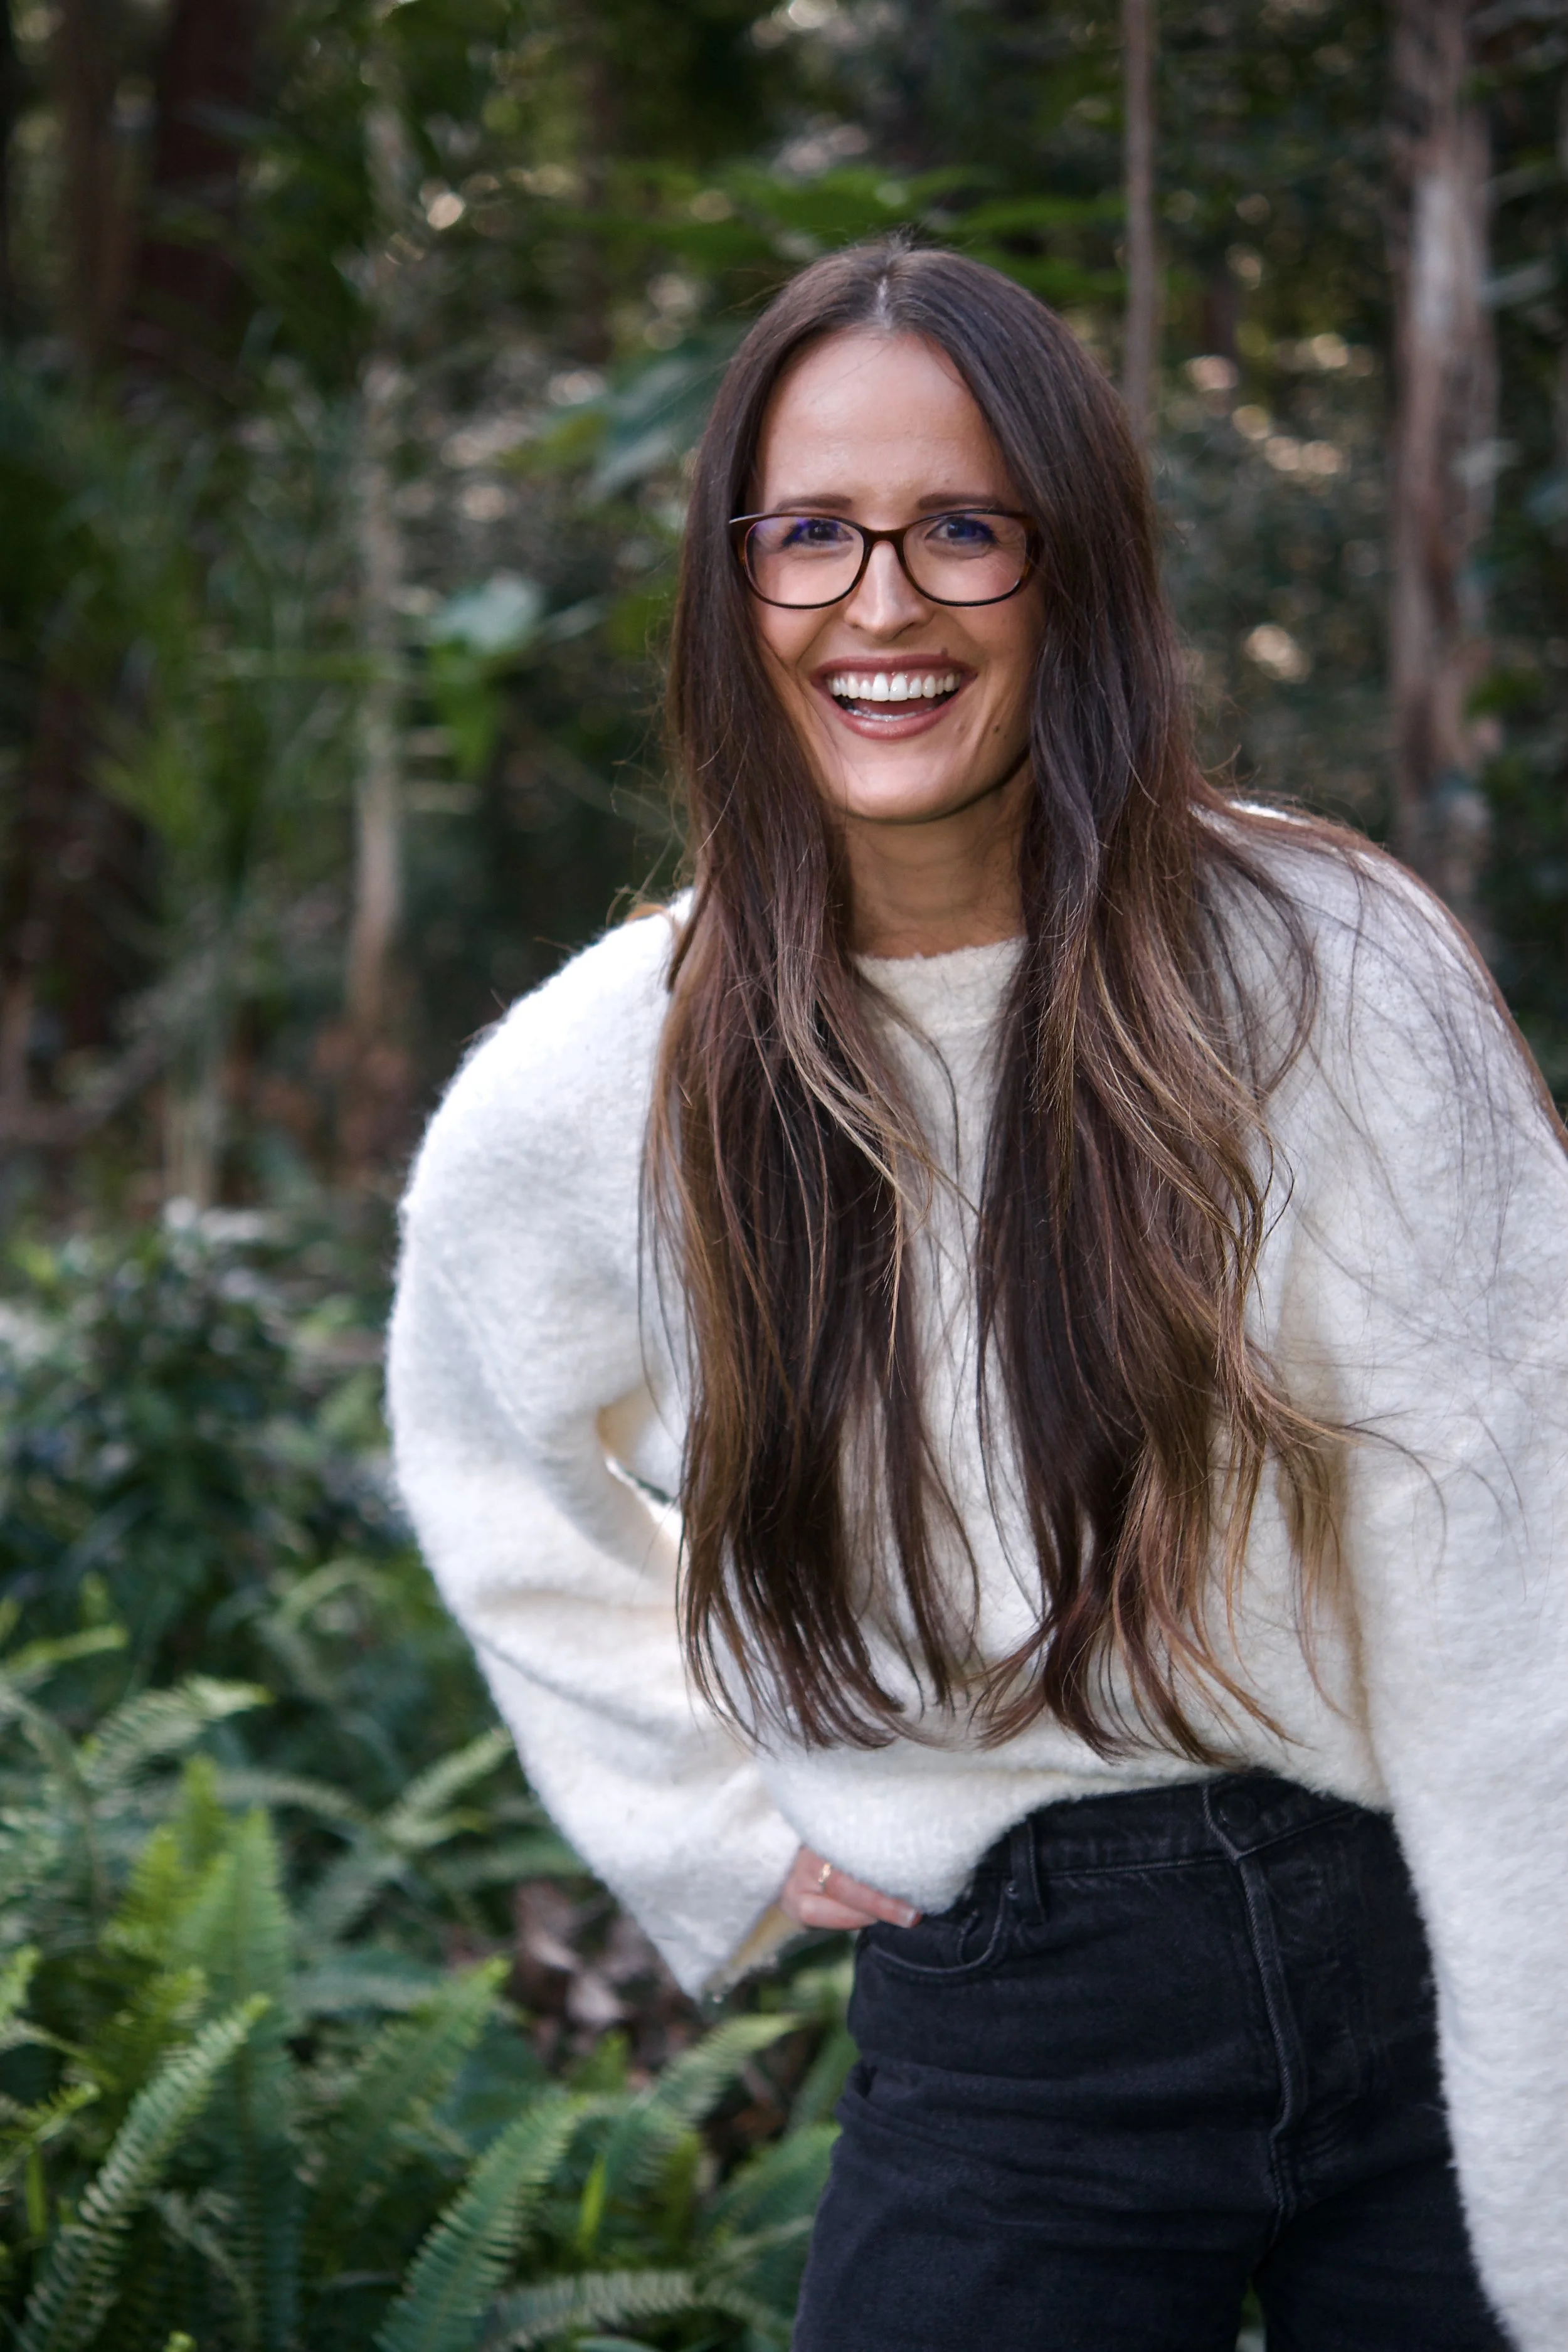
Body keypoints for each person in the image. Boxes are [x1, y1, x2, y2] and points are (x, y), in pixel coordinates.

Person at [386, 238, 1568, 2352]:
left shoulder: (1329, 975)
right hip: (1014, 2027)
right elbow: (484, 1462)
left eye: (957, 528)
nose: (880, 602)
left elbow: (1520, 1600)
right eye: (809, 534)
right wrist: (707, 1820)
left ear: (1070, 570)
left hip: (1416, 1952)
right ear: (729, 585)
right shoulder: (607, 1078)